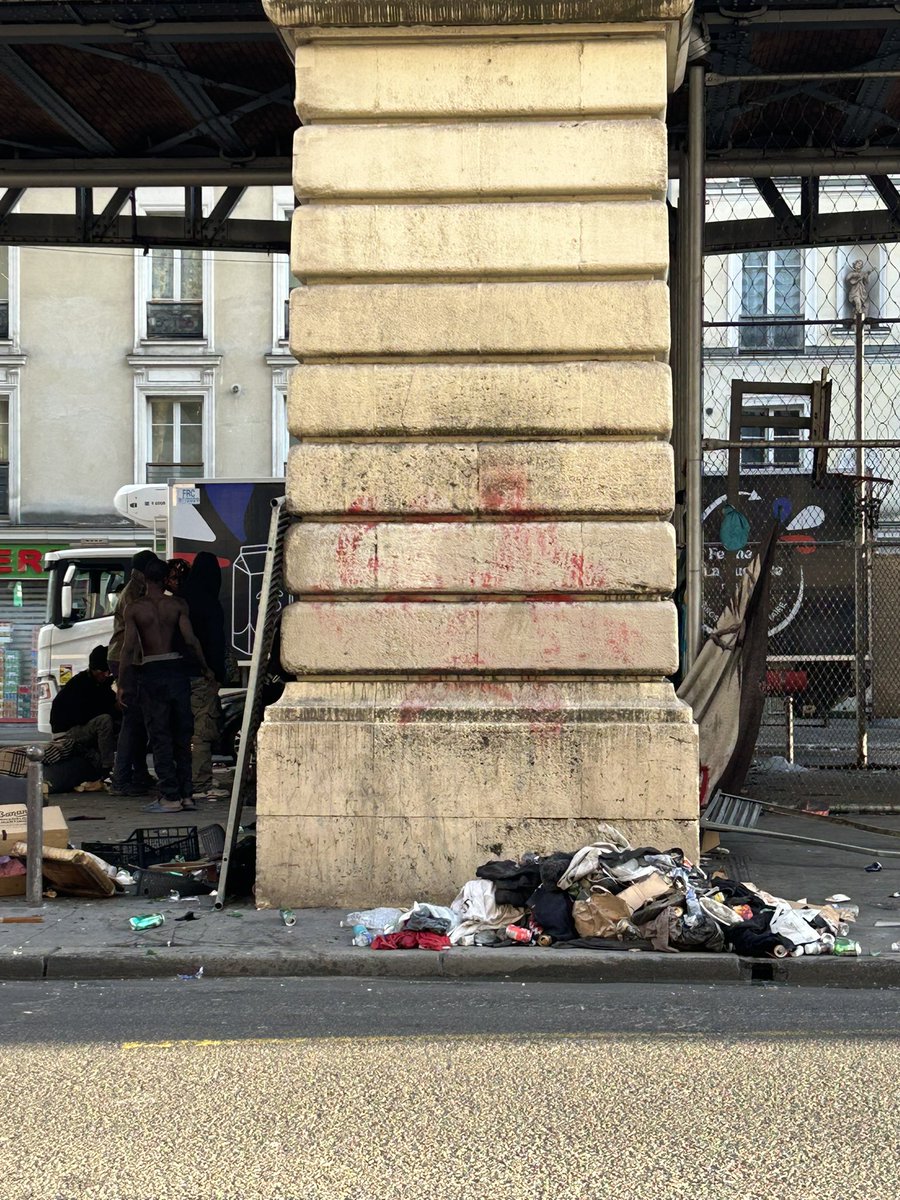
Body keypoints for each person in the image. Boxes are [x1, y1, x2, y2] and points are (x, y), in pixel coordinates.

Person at [119, 556, 214, 813]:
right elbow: (191, 640)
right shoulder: (178, 605)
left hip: (152, 672)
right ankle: (187, 796)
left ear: (145, 579)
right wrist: (205, 668)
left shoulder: (135, 609)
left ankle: (169, 796)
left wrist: (123, 683)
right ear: (166, 579)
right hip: (177, 670)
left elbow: (128, 649)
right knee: (182, 736)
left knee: (160, 736)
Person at [107, 550, 158, 796]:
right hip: (125, 661)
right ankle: (121, 780)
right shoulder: (131, 596)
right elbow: (132, 640)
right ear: (138, 572)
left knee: (137, 720)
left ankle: (138, 774)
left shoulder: (137, 591)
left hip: (128, 660)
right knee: (132, 721)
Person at [181, 551, 229, 801]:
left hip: (177, 675)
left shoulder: (181, 600)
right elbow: (214, 643)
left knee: (181, 729)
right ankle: (200, 784)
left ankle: (181, 780)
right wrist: (215, 672)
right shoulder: (209, 603)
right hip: (201, 676)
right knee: (202, 730)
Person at [49, 644, 118, 775]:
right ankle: (107, 768)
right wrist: (112, 708)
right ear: (94, 669)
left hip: (80, 728)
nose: (106, 675)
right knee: (104, 721)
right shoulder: (81, 684)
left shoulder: (101, 683)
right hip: (66, 733)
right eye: (103, 672)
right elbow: (85, 715)